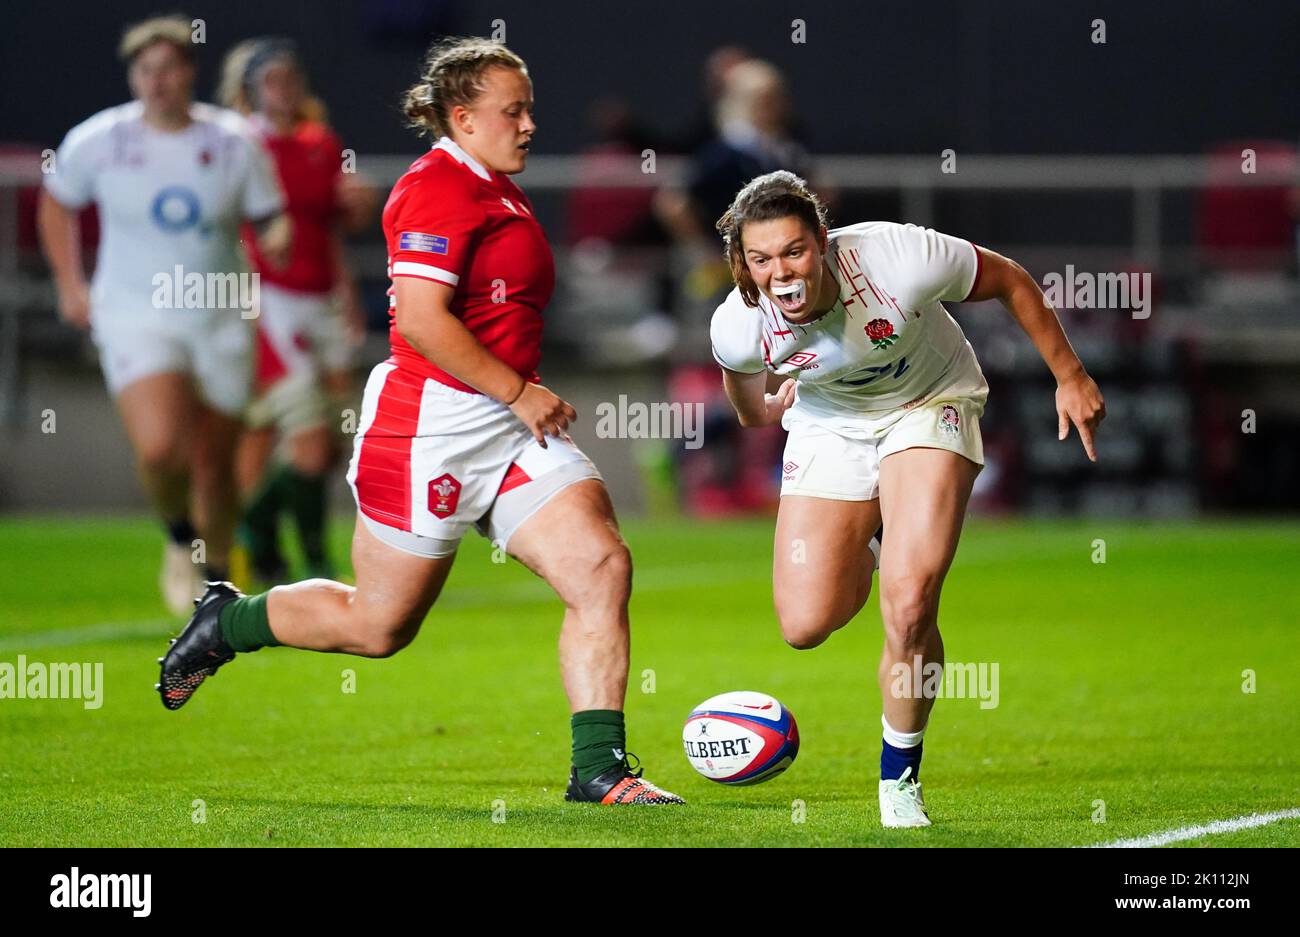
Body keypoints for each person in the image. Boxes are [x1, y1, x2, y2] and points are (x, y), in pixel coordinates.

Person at [157, 37, 684, 806]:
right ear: (463, 118)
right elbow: (424, 322)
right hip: (430, 426)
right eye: (514, 111)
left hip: (505, 420)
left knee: (602, 566)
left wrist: (514, 395)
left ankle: (599, 769)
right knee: (379, 627)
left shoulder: (493, 183)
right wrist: (517, 389)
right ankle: (228, 620)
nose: (531, 124)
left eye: (529, 108)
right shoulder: (438, 187)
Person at [709, 171, 1105, 827]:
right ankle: (872, 536)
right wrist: (761, 411)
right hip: (830, 425)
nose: (782, 271)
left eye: (795, 250)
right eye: (762, 258)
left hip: (931, 403)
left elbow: (1007, 278)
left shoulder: (900, 258)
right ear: (743, 265)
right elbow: (743, 387)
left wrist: (1070, 373)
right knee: (805, 624)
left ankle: (900, 777)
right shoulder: (738, 324)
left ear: (824, 241)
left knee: (911, 596)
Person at [38, 15, 289, 615]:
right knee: (160, 449)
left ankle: (219, 581)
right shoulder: (97, 141)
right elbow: (57, 204)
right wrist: (71, 285)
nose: (158, 81)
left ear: (189, 71)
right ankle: (180, 538)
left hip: (222, 312)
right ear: (133, 75)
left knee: (216, 461)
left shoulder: (234, 141)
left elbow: (271, 214)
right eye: (146, 69)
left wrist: (279, 238)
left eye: (170, 68)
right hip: (135, 311)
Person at [217, 37, 375, 584]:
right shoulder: (240, 142)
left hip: (321, 297)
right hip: (270, 299)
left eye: (290, 79)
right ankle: (307, 555)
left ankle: (256, 533)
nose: (284, 91)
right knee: (293, 440)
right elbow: (227, 225)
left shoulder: (320, 142)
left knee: (329, 446)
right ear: (251, 91)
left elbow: (328, 228)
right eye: (271, 81)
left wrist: (349, 297)